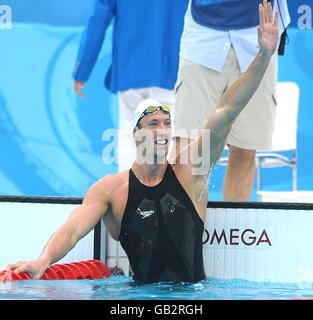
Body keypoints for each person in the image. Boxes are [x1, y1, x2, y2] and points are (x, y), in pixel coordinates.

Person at [7, 2, 278, 283]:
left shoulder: (189, 171)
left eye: (167, 123)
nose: (162, 130)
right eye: (153, 124)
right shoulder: (112, 190)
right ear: (135, 135)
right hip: (136, 296)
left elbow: (227, 110)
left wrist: (263, 56)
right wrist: (44, 259)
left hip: (192, 297)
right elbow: (73, 231)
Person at [172, 0, 290, 201]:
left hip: (259, 30)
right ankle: (183, 228)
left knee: (244, 150)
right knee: (187, 152)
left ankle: (234, 228)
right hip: (203, 33)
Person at [73, 0, 189, 172]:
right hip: (171, 67)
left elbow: (98, 18)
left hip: (130, 67)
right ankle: (168, 194)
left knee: (130, 131)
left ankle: (128, 193)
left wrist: (82, 69)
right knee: (170, 133)